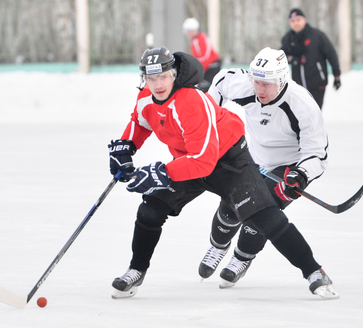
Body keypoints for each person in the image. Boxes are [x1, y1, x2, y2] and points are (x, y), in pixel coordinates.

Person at [108, 46, 337, 299]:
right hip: (190, 159)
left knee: (265, 218)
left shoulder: (191, 102)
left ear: (174, 75)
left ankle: (314, 271)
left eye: (163, 77)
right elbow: (140, 121)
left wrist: (159, 173)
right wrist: (126, 147)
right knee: (150, 209)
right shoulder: (146, 97)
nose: (157, 84)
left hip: (229, 161)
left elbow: (203, 162)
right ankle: (136, 270)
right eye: (151, 78)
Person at [199, 47, 338, 298]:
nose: (260, 90)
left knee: (261, 214)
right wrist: (211, 116)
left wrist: (301, 174)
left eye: (268, 84)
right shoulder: (247, 86)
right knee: (230, 207)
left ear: (283, 79)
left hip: (289, 168)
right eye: (257, 82)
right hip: (253, 158)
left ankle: (242, 257)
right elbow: (220, 81)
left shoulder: (303, 105)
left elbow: (317, 154)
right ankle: (218, 246)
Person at [280, 8, 341, 109]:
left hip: (317, 84)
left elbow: (331, 54)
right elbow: (280, 57)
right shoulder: (288, 38)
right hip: (298, 86)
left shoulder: (317, 35)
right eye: (292, 21)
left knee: (315, 112)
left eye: (298, 20)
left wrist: (337, 75)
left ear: (304, 20)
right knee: (301, 115)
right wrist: (293, 60)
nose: (296, 23)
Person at [182, 17, 221, 92]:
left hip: (211, 67)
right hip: (208, 67)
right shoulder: (195, 40)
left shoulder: (199, 39)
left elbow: (205, 58)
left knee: (206, 88)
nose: (187, 33)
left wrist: (197, 71)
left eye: (188, 31)